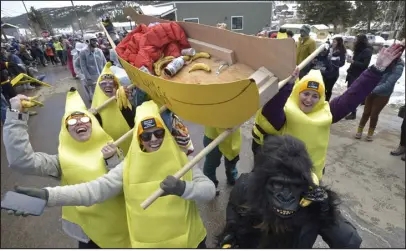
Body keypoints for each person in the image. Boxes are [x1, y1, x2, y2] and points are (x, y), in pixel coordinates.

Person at [9, 100, 215, 248]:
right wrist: (48, 196)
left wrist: (184, 188)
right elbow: (94, 190)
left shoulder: (183, 160)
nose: (154, 139)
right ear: (138, 138)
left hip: (190, 241)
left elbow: (209, 190)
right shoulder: (128, 165)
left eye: (159, 133)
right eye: (146, 135)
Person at [252, 44, 404, 180]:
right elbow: (271, 111)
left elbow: (352, 96)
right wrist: (288, 85)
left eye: (315, 96)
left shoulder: (327, 112)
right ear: (297, 93)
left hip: (311, 177)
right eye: (305, 93)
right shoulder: (286, 112)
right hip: (283, 178)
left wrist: (376, 70)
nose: (309, 100)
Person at [3, 88, 131, 248]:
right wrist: (16, 116)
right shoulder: (61, 162)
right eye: (71, 121)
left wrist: (112, 160)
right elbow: (21, 161)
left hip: (126, 230)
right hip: (90, 236)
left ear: (93, 123)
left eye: (84, 118)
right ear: (66, 130)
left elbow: (123, 183)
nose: (78, 122)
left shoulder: (114, 148)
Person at [218, 135, 362, 248]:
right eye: (279, 185)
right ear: (261, 183)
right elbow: (233, 217)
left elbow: (350, 243)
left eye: (294, 186)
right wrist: (230, 236)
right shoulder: (246, 186)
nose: (286, 197)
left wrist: (327, 214)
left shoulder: (311, 201)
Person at [354, 42, 405, 141]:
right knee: (366, 112)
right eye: (390, 49)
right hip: (372, 90)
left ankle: (370, 133)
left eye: (393, 51)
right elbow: (373, 70)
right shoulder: (384, 59)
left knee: (374, 114)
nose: (390, 52)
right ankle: (359, 130)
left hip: (383, 94)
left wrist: (372, 89)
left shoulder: (399, 66)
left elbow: (388, 84)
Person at [345, 34, 373, 120]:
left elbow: (365, 65)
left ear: (360, 41)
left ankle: (353, 113)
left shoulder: (367, 51)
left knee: (353, 94)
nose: (354, 41)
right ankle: (351, 110)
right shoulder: (358, 49)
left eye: (356, 40)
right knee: (350, 94)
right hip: (352, 73)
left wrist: (353, 61)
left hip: (358, 75)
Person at [315, 37, 346, 101]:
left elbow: (342, 63)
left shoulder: (341, 51)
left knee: (329, 89)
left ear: (338, 43)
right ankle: (320, 100)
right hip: (326, 72)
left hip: (333, 73)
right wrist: (321, 54)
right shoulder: (330, 49)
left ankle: (326, 101)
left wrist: (334, 62)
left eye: (335, 42)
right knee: (322, 87)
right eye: (333, 41)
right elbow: (324, 57)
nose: (333, 43)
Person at [80, 33, 107, 98]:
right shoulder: (83, 52)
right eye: (93, 40)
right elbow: (83, 66)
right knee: (96, 94)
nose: (95, 42)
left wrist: (107, 74)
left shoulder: (99, 51)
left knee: (105, 93)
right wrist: (88, 78)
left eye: (96, 40)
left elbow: (105, 63)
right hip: (92, 78)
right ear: (87, 41)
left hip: (102, 75)